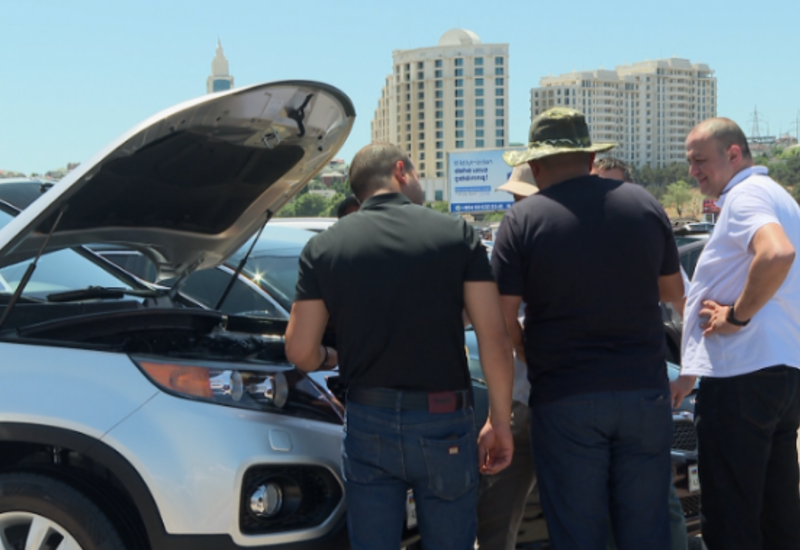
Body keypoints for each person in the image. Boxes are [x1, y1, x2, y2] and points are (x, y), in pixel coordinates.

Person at [284, 142, 515, 550]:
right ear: (400, 171)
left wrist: (329, 356)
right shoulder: (457, 235)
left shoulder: (322, 248)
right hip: (444, 420)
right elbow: (494, 338)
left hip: (367, 419)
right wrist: (498, 421)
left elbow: (300, 351)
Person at [492, 107, 683, 550]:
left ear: (536, 165)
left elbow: (500, 319)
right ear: (591, 157)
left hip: (566, 398)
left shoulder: (521, 220)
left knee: (579, 534)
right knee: (647, 531)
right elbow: (673, 291)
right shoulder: (643, 204)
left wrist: (524, 350)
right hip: (644, 393)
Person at [672, 118, 800, 550]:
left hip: (742, 376)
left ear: (733, 154)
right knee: (777, 517)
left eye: (699, 160)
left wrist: (736, 317)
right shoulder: (778, 196)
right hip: (779, 373)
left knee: (732, 519)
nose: (693, 171)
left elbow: (777, 253)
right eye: (689, 161)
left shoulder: (745, 196)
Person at [592, 157, 689, 550]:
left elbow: (689, 306)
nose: (604, 198)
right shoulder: (576, 241)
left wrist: (689, 375)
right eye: (596, 187)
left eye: (612, 187)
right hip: (588, 396)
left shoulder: (648, 242)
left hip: (642, 392)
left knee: (660, 502)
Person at [477, 164, 538, 550]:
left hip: (536, 401)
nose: (516, 205)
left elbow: (500, 321)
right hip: (524, 399)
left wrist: (519, 344)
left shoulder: (522, 235)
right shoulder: (516, 236)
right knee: (497, 518)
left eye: (522, 197)